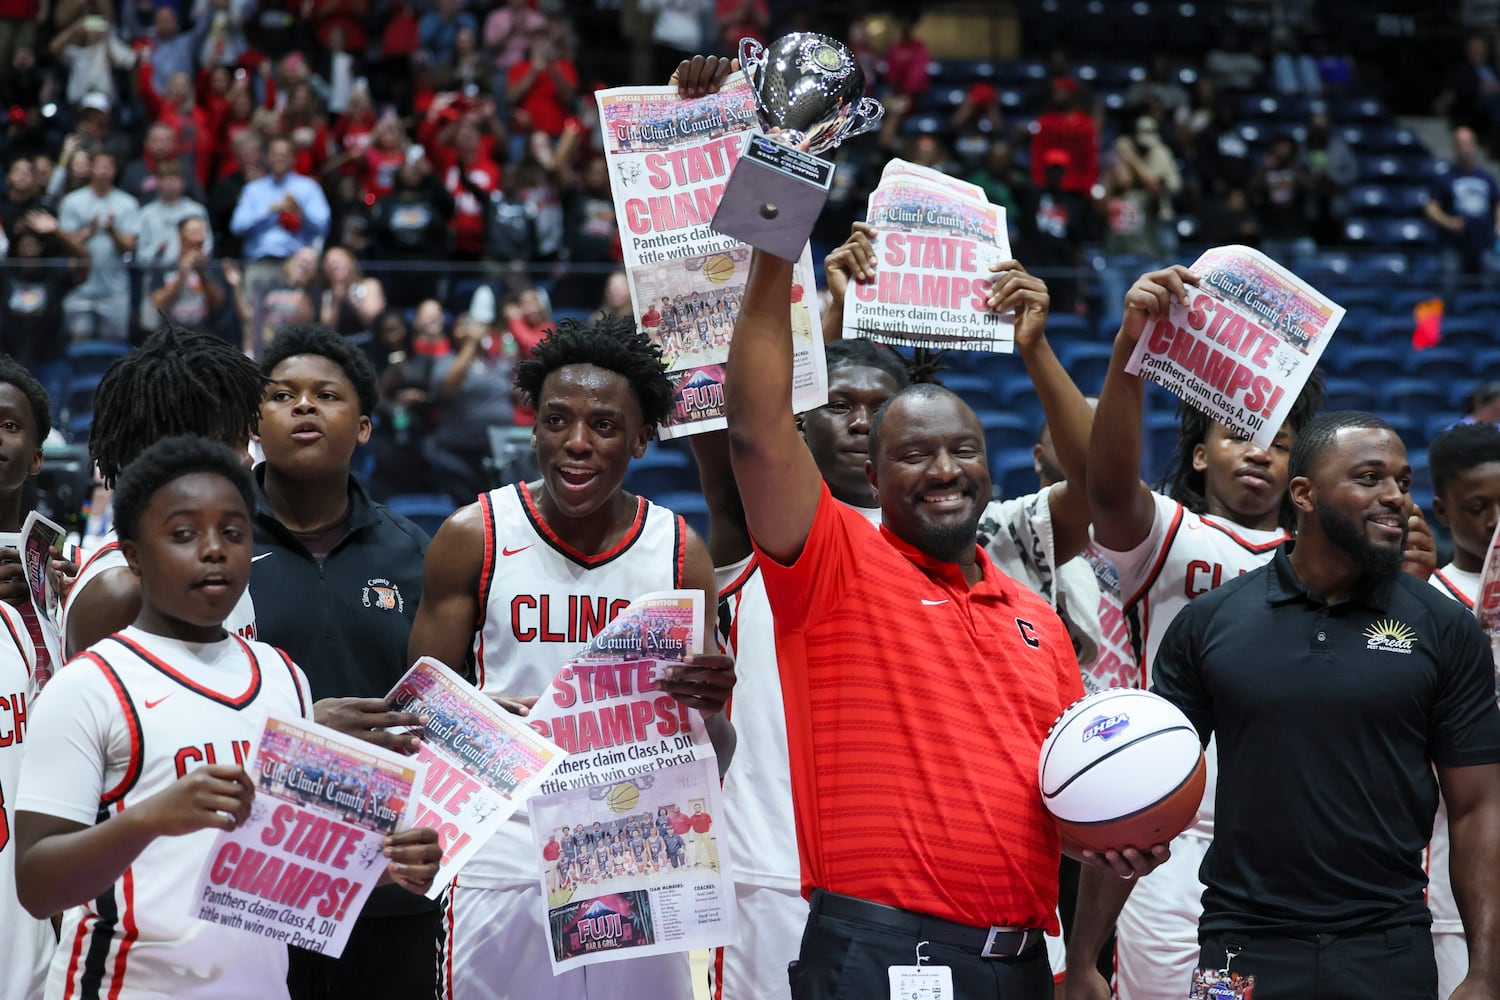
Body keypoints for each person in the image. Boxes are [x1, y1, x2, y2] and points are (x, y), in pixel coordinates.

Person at [721, 237, 1149, 999]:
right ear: (873, 475)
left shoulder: (1035, 617)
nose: (946, 469)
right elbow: (757, 429)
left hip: (1017, 956)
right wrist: (777, 244)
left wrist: (1116, 833)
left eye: (964, 449)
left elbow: (1058, 799)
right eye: (916, 455)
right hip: (881, 947)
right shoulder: (834, 562)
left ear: (992, 464)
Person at [1065, 266, 1428, 1000]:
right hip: (1174, 836)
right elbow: (1104, 488)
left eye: (1280, 442)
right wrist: (1129, 351)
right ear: (1201, 455)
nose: (1259, 451)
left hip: (1313, 849)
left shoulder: (1349, 567)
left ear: (1308, 475)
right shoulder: (1170, 534)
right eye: (1238, 436)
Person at [13, 436, 442, 999]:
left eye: (233, 532)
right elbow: (38, 885)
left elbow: (283, 866)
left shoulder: (283, 676)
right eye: (184, 534)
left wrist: (385, 865)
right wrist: (152, 817)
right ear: (136, 554)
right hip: (128, 985)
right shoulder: (88, 686)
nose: (214, 550)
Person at [407, 316, 736, 1000]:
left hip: (636, 844)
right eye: (557, 420)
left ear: (643, 438)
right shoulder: (473, 536)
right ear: (533, 426)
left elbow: (716, 755)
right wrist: (477, 716)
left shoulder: (679, 552)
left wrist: (711, 712)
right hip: (504, 844)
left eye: (605, 426)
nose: (576, 444)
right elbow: (417, 719)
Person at [1151, 411, 1500, 997]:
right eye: (1369, 478)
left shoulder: (1444, 626)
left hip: (1388, 944)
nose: (1394, 497)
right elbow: (1147, 787)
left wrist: (1487, 971)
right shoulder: (1210, 622)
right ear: (1305, 495)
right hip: (1237, 943)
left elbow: (1479, 807)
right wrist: (1086, 953)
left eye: (1403, 482)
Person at [249, 323, 440, 999]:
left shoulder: (413, 554)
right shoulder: (214, 547)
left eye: (324, 395)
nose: (303, 407)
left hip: (390, 890)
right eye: (283, 395)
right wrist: (301, 721)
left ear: (362, 427)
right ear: (255, 421)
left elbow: (443, 714)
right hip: (254, 890)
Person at [61, 323, 267, 658]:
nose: (246, 459)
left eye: (244, 441)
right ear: (166, 450)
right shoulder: (121, 591)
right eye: (228, 443)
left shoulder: (218, 559)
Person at [1424, 421, 1500, 995]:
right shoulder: (1424, 600)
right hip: (1452, 862)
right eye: (1479, 506)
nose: (1496, 519)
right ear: (1443, 511)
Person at [57, 148, 137, 342]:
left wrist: (111, 231)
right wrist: (88, 232)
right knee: (78, 341)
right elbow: (65, 241)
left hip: (115, 287)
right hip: (80, 286)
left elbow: (130, 246)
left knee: (115, 345)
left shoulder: (127, 203)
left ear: (114, 170)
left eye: (107, 166)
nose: (102, 170)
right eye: (98, 165)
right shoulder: (72, 201)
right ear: (90, 168)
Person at [1425, 126, 1500, 278]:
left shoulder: (1486, 178)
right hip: (1453, 246)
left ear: (1474, 145)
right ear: (1454, 147)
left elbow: (1497, 203)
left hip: (1484, 244)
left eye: (1467, 143)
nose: (1464, 148)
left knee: (1494, 276)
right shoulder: (1444, 177)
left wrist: (1498, 225)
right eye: (1460, 143)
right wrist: (1448, 222)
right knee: (1449, 280)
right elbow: (1431, 208)